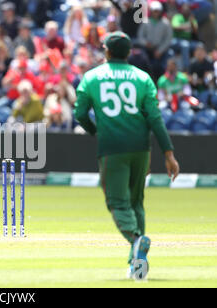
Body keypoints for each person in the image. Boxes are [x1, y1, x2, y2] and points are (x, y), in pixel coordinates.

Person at [74, 32, 180, 281]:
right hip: (141, 147)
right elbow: (155, 118)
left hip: (112, 147)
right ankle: (136, 264)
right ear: (129, 52)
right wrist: (168, 153)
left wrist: (95, 132)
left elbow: (79, 113)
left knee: (117, 203)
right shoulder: (143, 78)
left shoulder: (92, 77)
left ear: (107, 52)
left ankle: (135, 241)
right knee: (136, 203)